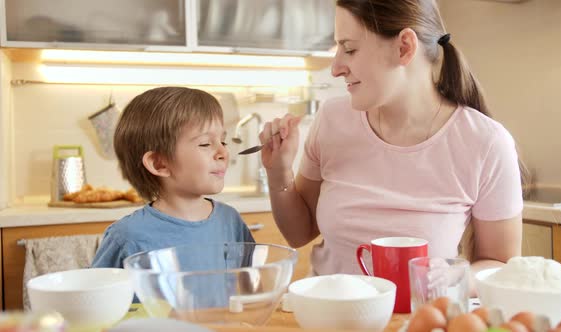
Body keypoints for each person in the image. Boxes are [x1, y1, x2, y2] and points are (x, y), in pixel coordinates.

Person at [258, 0, 525, 296]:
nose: (335, 68)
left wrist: (454, 276)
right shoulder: (331, 120)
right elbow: (298, 233)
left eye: (349, 49)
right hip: (329, 317)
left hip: (415, 322)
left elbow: (500, 263)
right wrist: (278, 171)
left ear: (404, 48)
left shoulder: (485, 142)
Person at [92, 87, 254, 271]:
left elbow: (251, 289)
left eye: (223, 142)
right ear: (159, 164)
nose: (224, 152)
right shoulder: (126, 237)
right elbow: (93, 298)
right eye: (205, 143)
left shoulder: (230, 220)